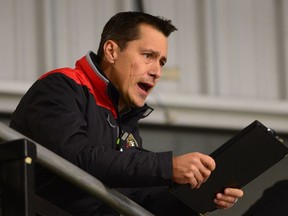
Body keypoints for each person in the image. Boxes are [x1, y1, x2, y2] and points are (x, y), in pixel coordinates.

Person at [10, 11, 243, 215]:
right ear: (111, 51)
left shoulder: (124, 117)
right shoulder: (61, 86)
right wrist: (167, 167)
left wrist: (202, 195)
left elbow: (138, 197)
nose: (157, 71)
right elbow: (76, 156)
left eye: (162, 62)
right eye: (148, 56)